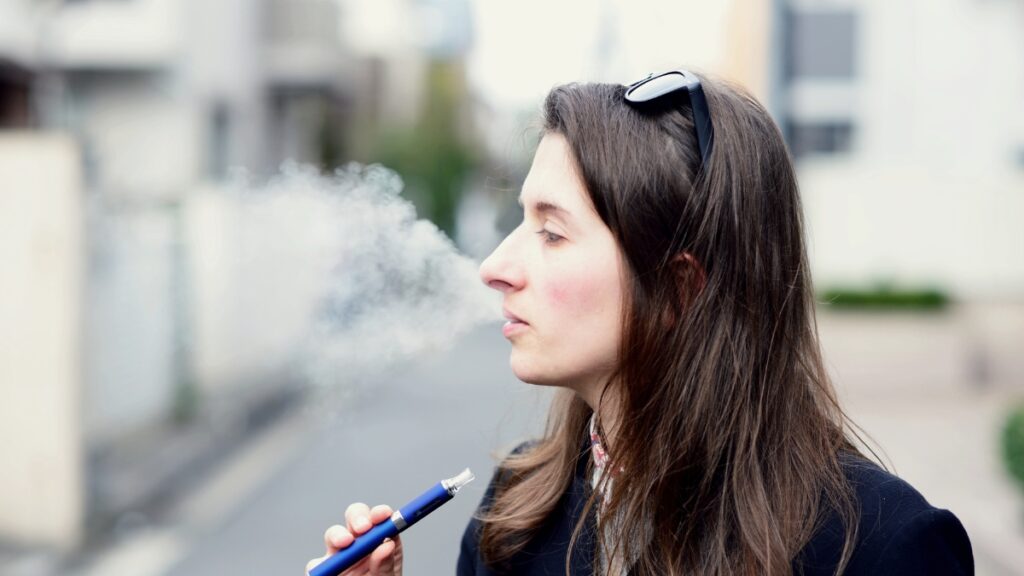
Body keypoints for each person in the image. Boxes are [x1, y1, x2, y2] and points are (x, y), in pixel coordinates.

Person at [305, 69, 974, 576]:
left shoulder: (886, 549)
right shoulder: (510, 519)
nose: (494, 267)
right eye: (520, 220)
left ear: (679, 288)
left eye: (552, 233)